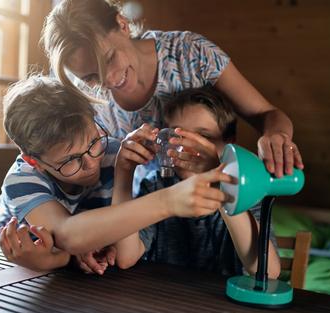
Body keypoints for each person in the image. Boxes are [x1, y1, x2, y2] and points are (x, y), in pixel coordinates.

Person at [41, 0, 304, 189]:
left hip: (212, 198)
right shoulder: (88, 102)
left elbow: (266, 114)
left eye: (109, 59)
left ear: (122, 24)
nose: (108, 81)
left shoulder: (191, 54)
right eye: (90, 77)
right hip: (144, 219)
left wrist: (276, 135)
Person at [0, 75, 233, 274]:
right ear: (34, 161)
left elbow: (112, 232)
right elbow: (67, 234)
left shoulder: (112, 152)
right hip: (1, 240)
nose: (92, 163)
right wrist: (168, 201)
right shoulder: (22, 180)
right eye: (70, 161)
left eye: (93, 142)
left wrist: (71, 255)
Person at [113, 86, 280, 277]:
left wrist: (220, 181)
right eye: (177, 137)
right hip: (162, 299)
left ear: (229, 144)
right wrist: (124, 172)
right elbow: (125, 257)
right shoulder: (155, 186)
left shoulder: (248, 192)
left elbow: (268, 270)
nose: (187, 148)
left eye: (204, 137)